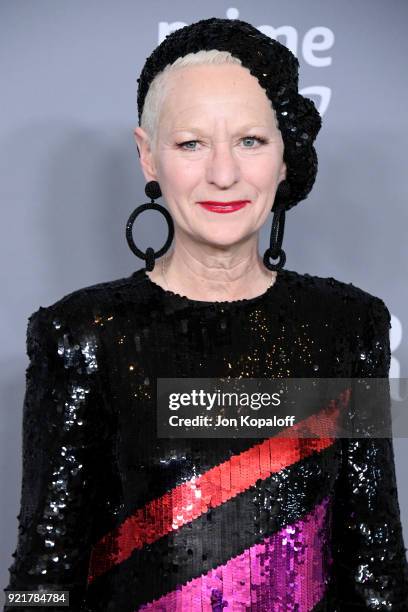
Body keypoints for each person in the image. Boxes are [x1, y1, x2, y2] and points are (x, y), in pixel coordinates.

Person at [3, 16, 408, 612]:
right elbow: (44, 571)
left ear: (285, 154)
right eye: (191, 143)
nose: (223, 173)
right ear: (148, 157)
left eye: (250, 141)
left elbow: (377, 564)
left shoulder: (353, 327)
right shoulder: (80, 335)